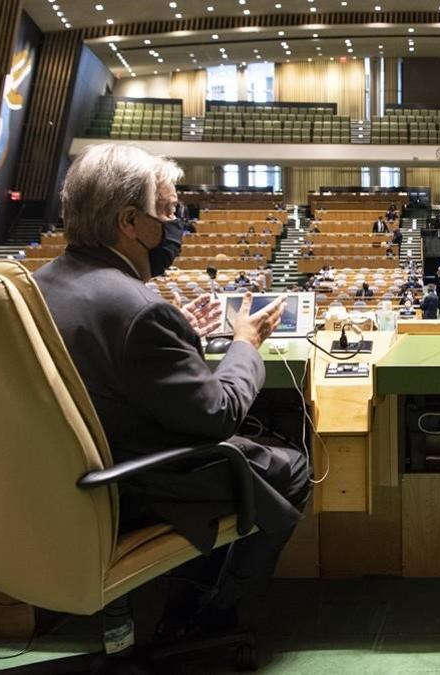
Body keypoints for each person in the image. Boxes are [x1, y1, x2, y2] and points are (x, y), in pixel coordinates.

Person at [34, 144, 309, 641]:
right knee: (290, 466)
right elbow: (218, 414)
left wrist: (179, 334)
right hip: (144, 483)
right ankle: (213, 616)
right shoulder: (137, 307)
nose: (178, 225)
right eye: (169, 211)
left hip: (66, 479)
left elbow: (106, 360)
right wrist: (244, 345)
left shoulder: (38, 287)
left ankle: (176, 599)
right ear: (129, 222)